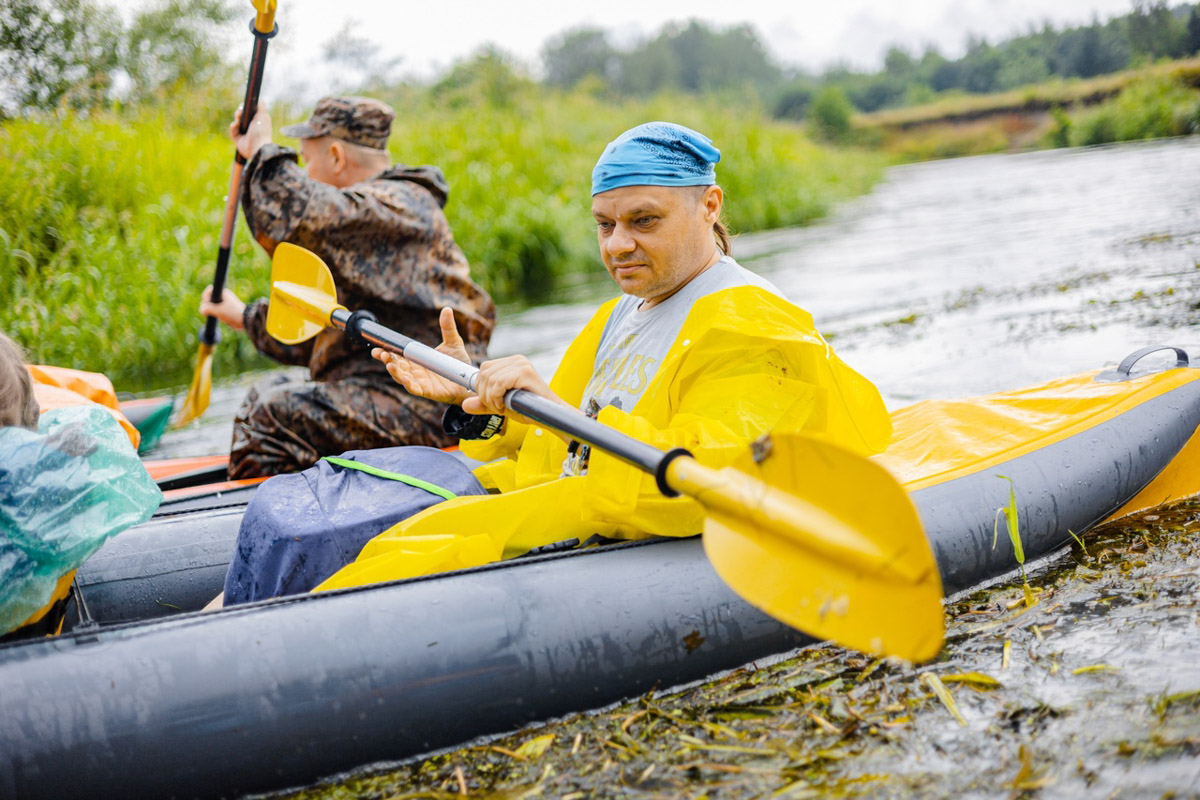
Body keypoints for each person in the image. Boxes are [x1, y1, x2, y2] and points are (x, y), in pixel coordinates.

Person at [307, 120, 895, 593]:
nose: (618, 245)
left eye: (644, 221)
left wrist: (561, 414)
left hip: (626, 522)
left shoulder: (756, 324)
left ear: (710, 205)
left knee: (400, 552)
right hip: (569, 499)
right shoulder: (620, 312)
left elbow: (713, 480)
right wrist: (479, 403)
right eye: (604, 224)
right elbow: (556, 438)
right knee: (336, 505)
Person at [199, 96, 496, 479]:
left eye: (306, 159)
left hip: (432, 402)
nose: (305, 172)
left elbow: (301, 214)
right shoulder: (361, 230)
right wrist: (246, 317)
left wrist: (261, 150)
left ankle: (261, 505)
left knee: (271, 414)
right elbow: (327, 336)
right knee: (265, 394)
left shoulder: (400, 207)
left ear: (336, 157)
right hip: (381, 387)